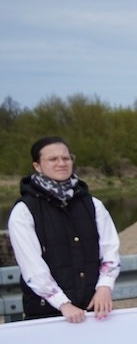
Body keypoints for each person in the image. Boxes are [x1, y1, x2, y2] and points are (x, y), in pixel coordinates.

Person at [8, 136, 120, 322]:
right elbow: (32, 266)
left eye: (66, 158)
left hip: (95, 308)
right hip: (47, 313)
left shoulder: (92, 204)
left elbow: (110, 250)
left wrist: (104, 287)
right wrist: (62, 303)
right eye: (53, 159)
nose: (61, 163)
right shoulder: (24, 211)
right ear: (37, 166)